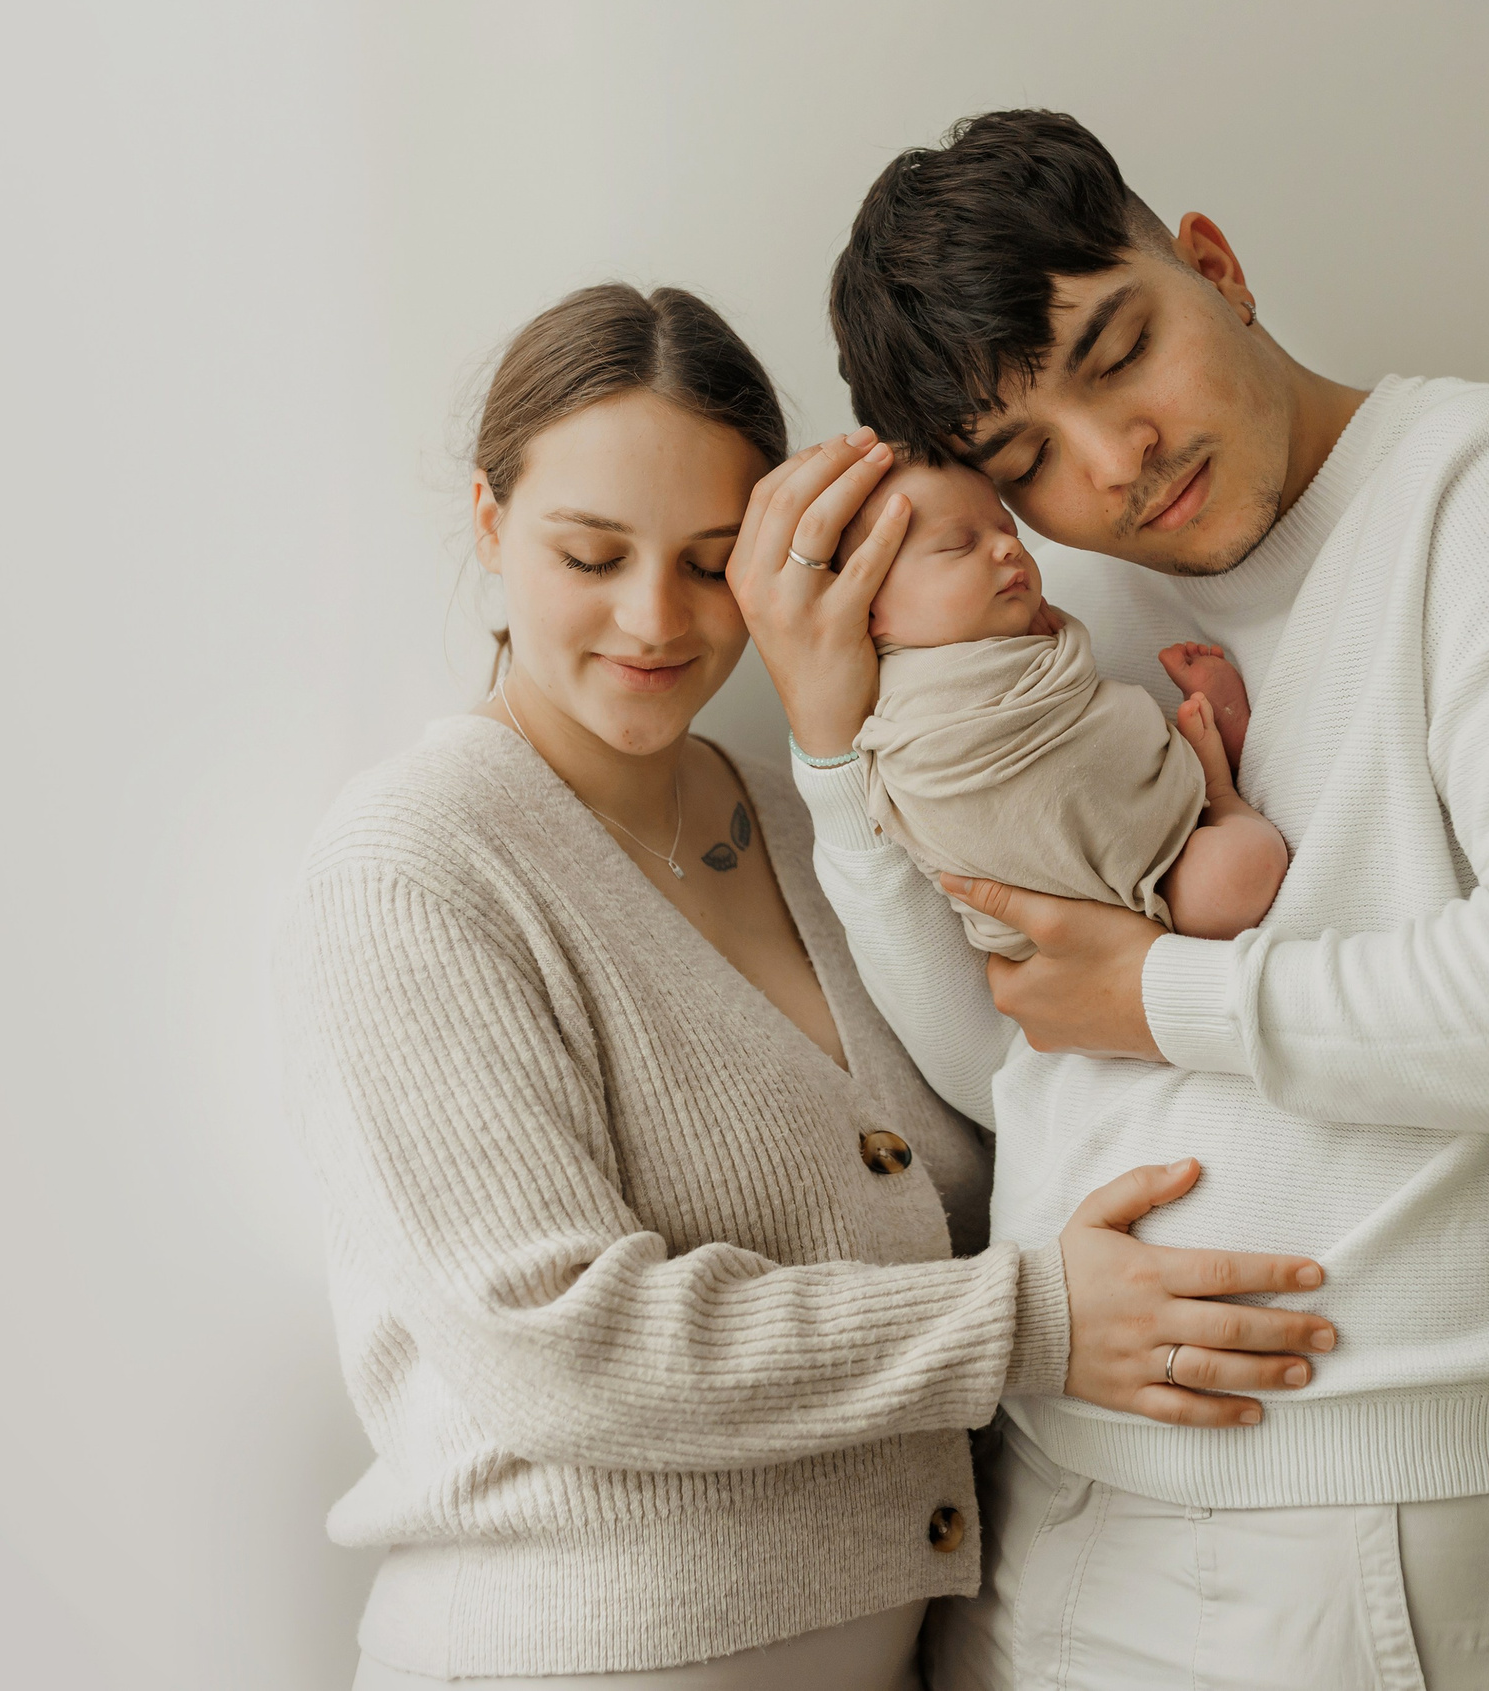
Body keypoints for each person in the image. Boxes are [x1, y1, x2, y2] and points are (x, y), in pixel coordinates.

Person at [734, 112, 1489, 1688]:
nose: (1113, 463)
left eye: (1123, 352)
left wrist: (1167, 992)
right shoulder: (1041, 601)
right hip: (1045, 1486)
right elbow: (1005, 1056)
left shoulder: (1488, 487)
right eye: (1025, 464)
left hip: (1358, 1527)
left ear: (1213, 264)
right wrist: (830, 747)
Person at [280, 282, 1337, 1690]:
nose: (653, 618)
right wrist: (1035, 1319)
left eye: (712, 560)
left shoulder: (804, 815)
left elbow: (990, 1115)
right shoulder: (417, 860)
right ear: (489, 523)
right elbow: (563, 1348)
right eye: (590, 553)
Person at [838, 452, 1288, 955]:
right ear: (869, 604)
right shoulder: (884, 700)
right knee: (1230, 880)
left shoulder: (1032, 632)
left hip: (1161, 860)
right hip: (1053, 926)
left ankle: (1218, 794)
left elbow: (1079, 701)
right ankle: (1211, 781)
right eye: (961, 543)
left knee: (1236, 875)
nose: (1009, 547)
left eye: (1006, 529)